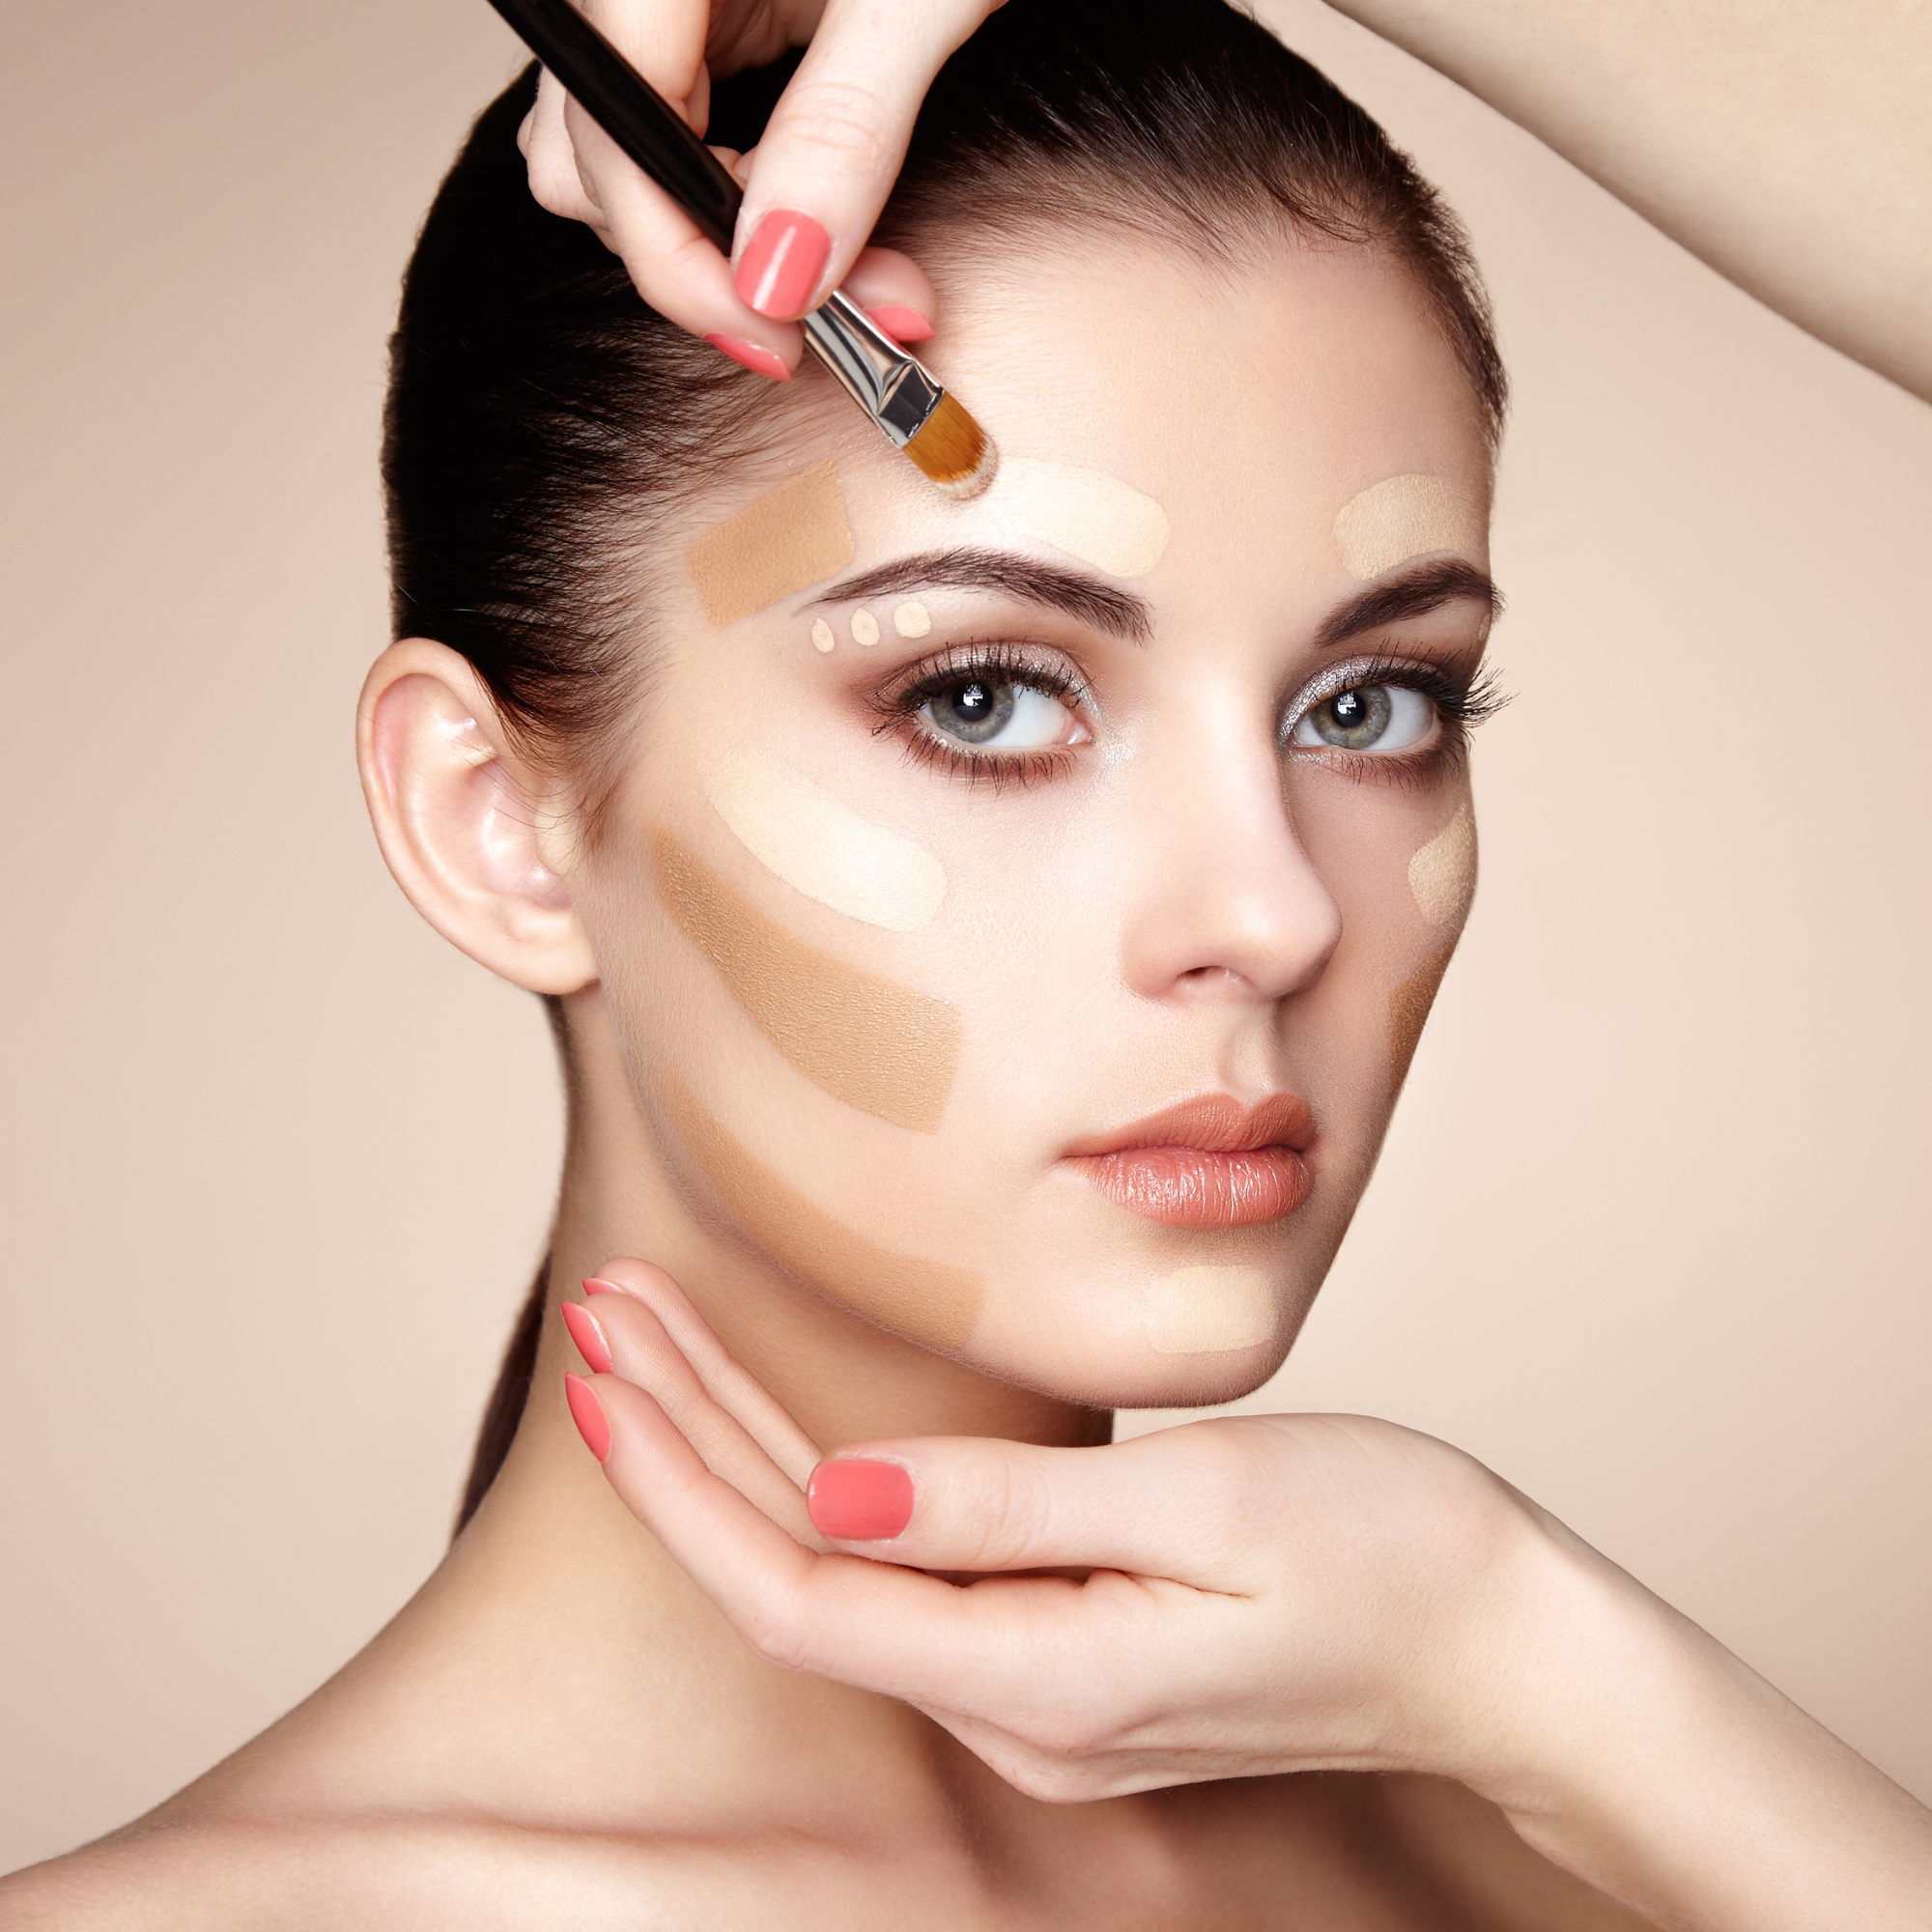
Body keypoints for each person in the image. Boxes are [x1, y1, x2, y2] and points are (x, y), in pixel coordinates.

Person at [2, 2, 1926, 1926]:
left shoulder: (1600, 1831)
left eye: (1367, 705)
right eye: (986, 695)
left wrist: (1526, 1648)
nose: (1271, 912)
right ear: (493, 818)